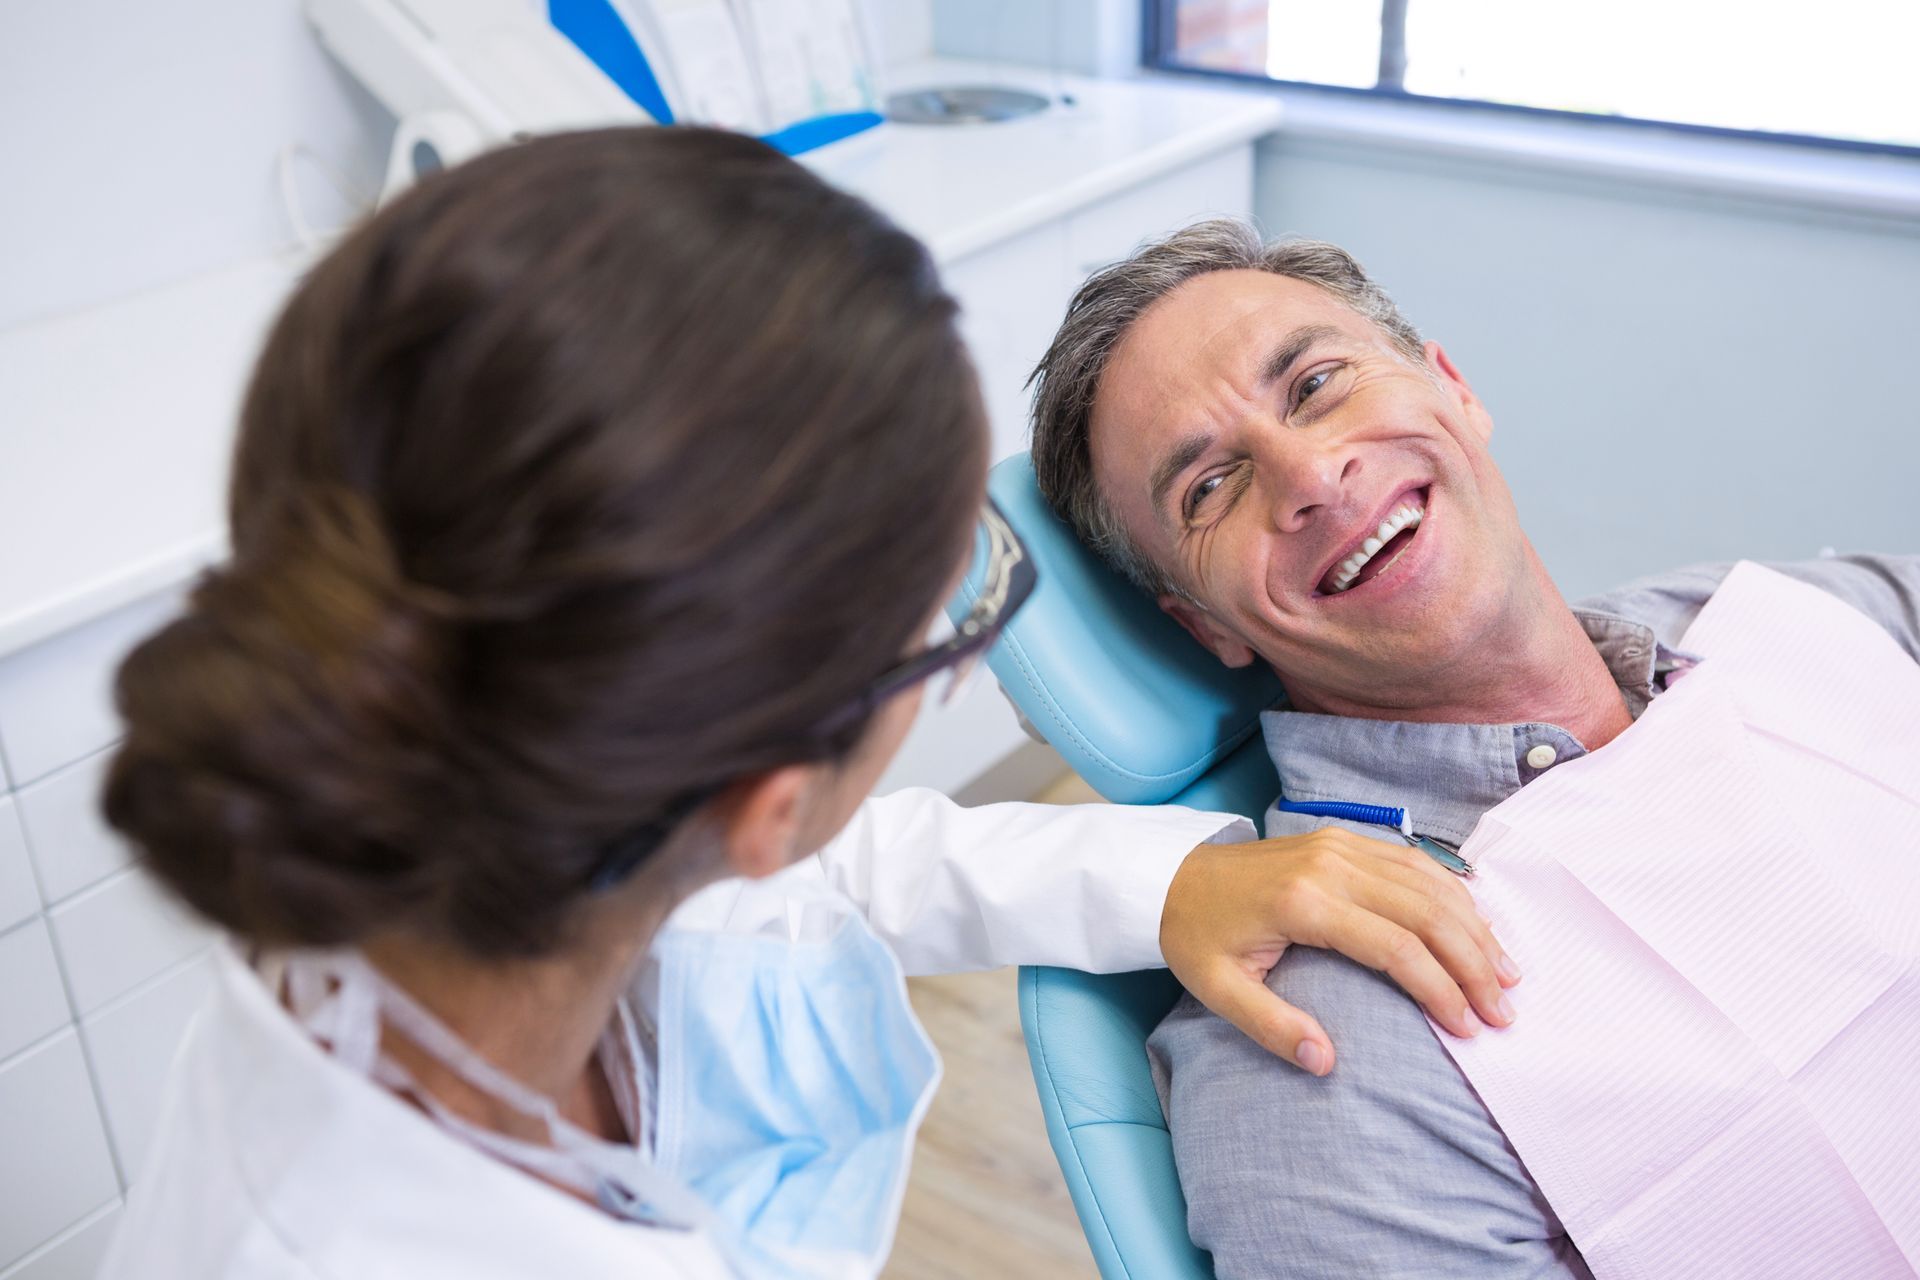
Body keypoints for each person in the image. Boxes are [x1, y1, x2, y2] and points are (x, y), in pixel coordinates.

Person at [94, 133, 1521, 1279]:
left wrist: (1176, 877)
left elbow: (865, 873)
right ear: (762, 803)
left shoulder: (491, 860)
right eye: (956, 607)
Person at [1027, 218, 1920, 1280]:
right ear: (1205, 625)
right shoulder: (1325, 1058)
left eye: (1315, 384)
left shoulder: (1777, 614)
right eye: (1210, 488)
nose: (1310, 473)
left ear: (1453, 389)